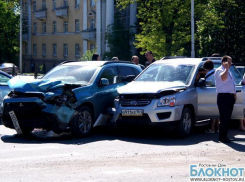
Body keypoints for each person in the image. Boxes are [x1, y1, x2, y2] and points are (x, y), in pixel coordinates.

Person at [214, 55, 236, 143]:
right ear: (224, 62)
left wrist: (234, 94)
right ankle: (222, 137)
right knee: (224, 118)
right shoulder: (219, 70)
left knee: (227, 118)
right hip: (223, 97)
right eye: (229, 62)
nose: (231, 64)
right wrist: (226, 68)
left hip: (229, 97)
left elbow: (232, 84)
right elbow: (223, 78)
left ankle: (224, 136)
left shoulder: (229, 71)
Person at [203, 59, 220, 133]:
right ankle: (218, 128)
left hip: (212, 94)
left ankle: (212, 128)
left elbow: (208, 85)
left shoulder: (209, 74)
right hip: (219, 92)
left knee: (213, 113)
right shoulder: (217, 71)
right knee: (217, 112)